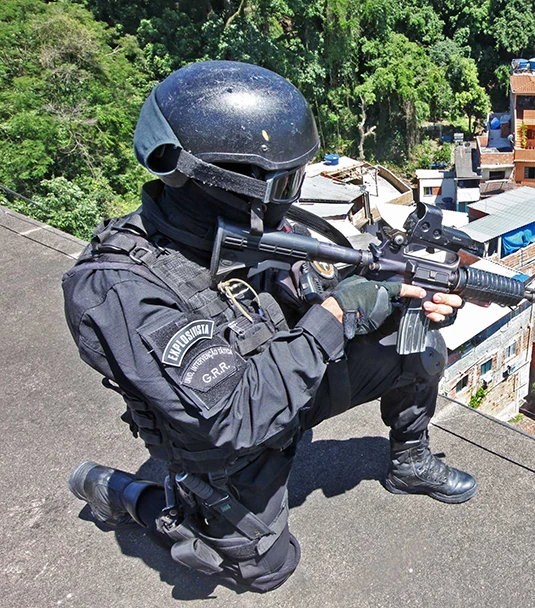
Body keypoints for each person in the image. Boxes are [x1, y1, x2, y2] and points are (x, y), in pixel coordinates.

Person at [63, 60, 476, 593]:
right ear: (220, 185)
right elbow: (234, 418)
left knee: (418, 346)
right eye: (281, 182)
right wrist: (338, 315)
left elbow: (320, 291)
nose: (289, 194)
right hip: (229, 438)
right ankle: (125, 494)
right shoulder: (121, 290)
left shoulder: (245, 228)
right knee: (262, 570)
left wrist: (395, 299)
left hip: (290, 380)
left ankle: (410, 459)